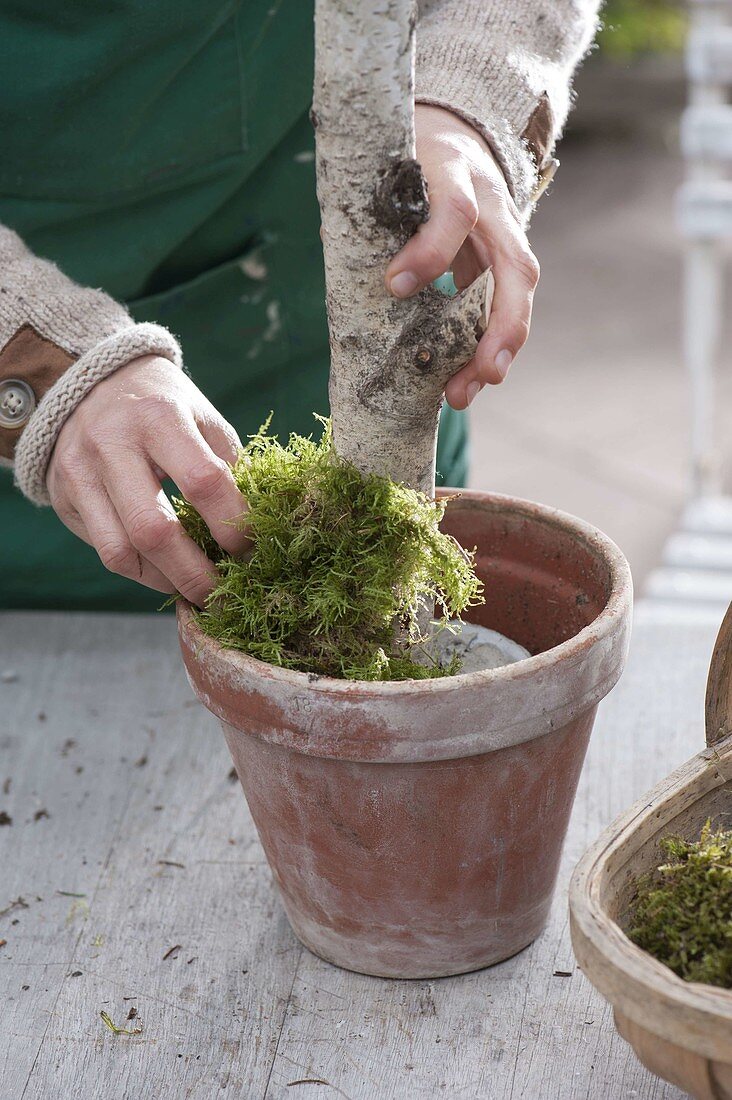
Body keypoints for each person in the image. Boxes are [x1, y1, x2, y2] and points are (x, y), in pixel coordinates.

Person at [0, 0, 599, 612]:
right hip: (26, 562)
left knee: (401, 613)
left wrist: (468, 103)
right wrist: (34, 355)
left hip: (359, 348)